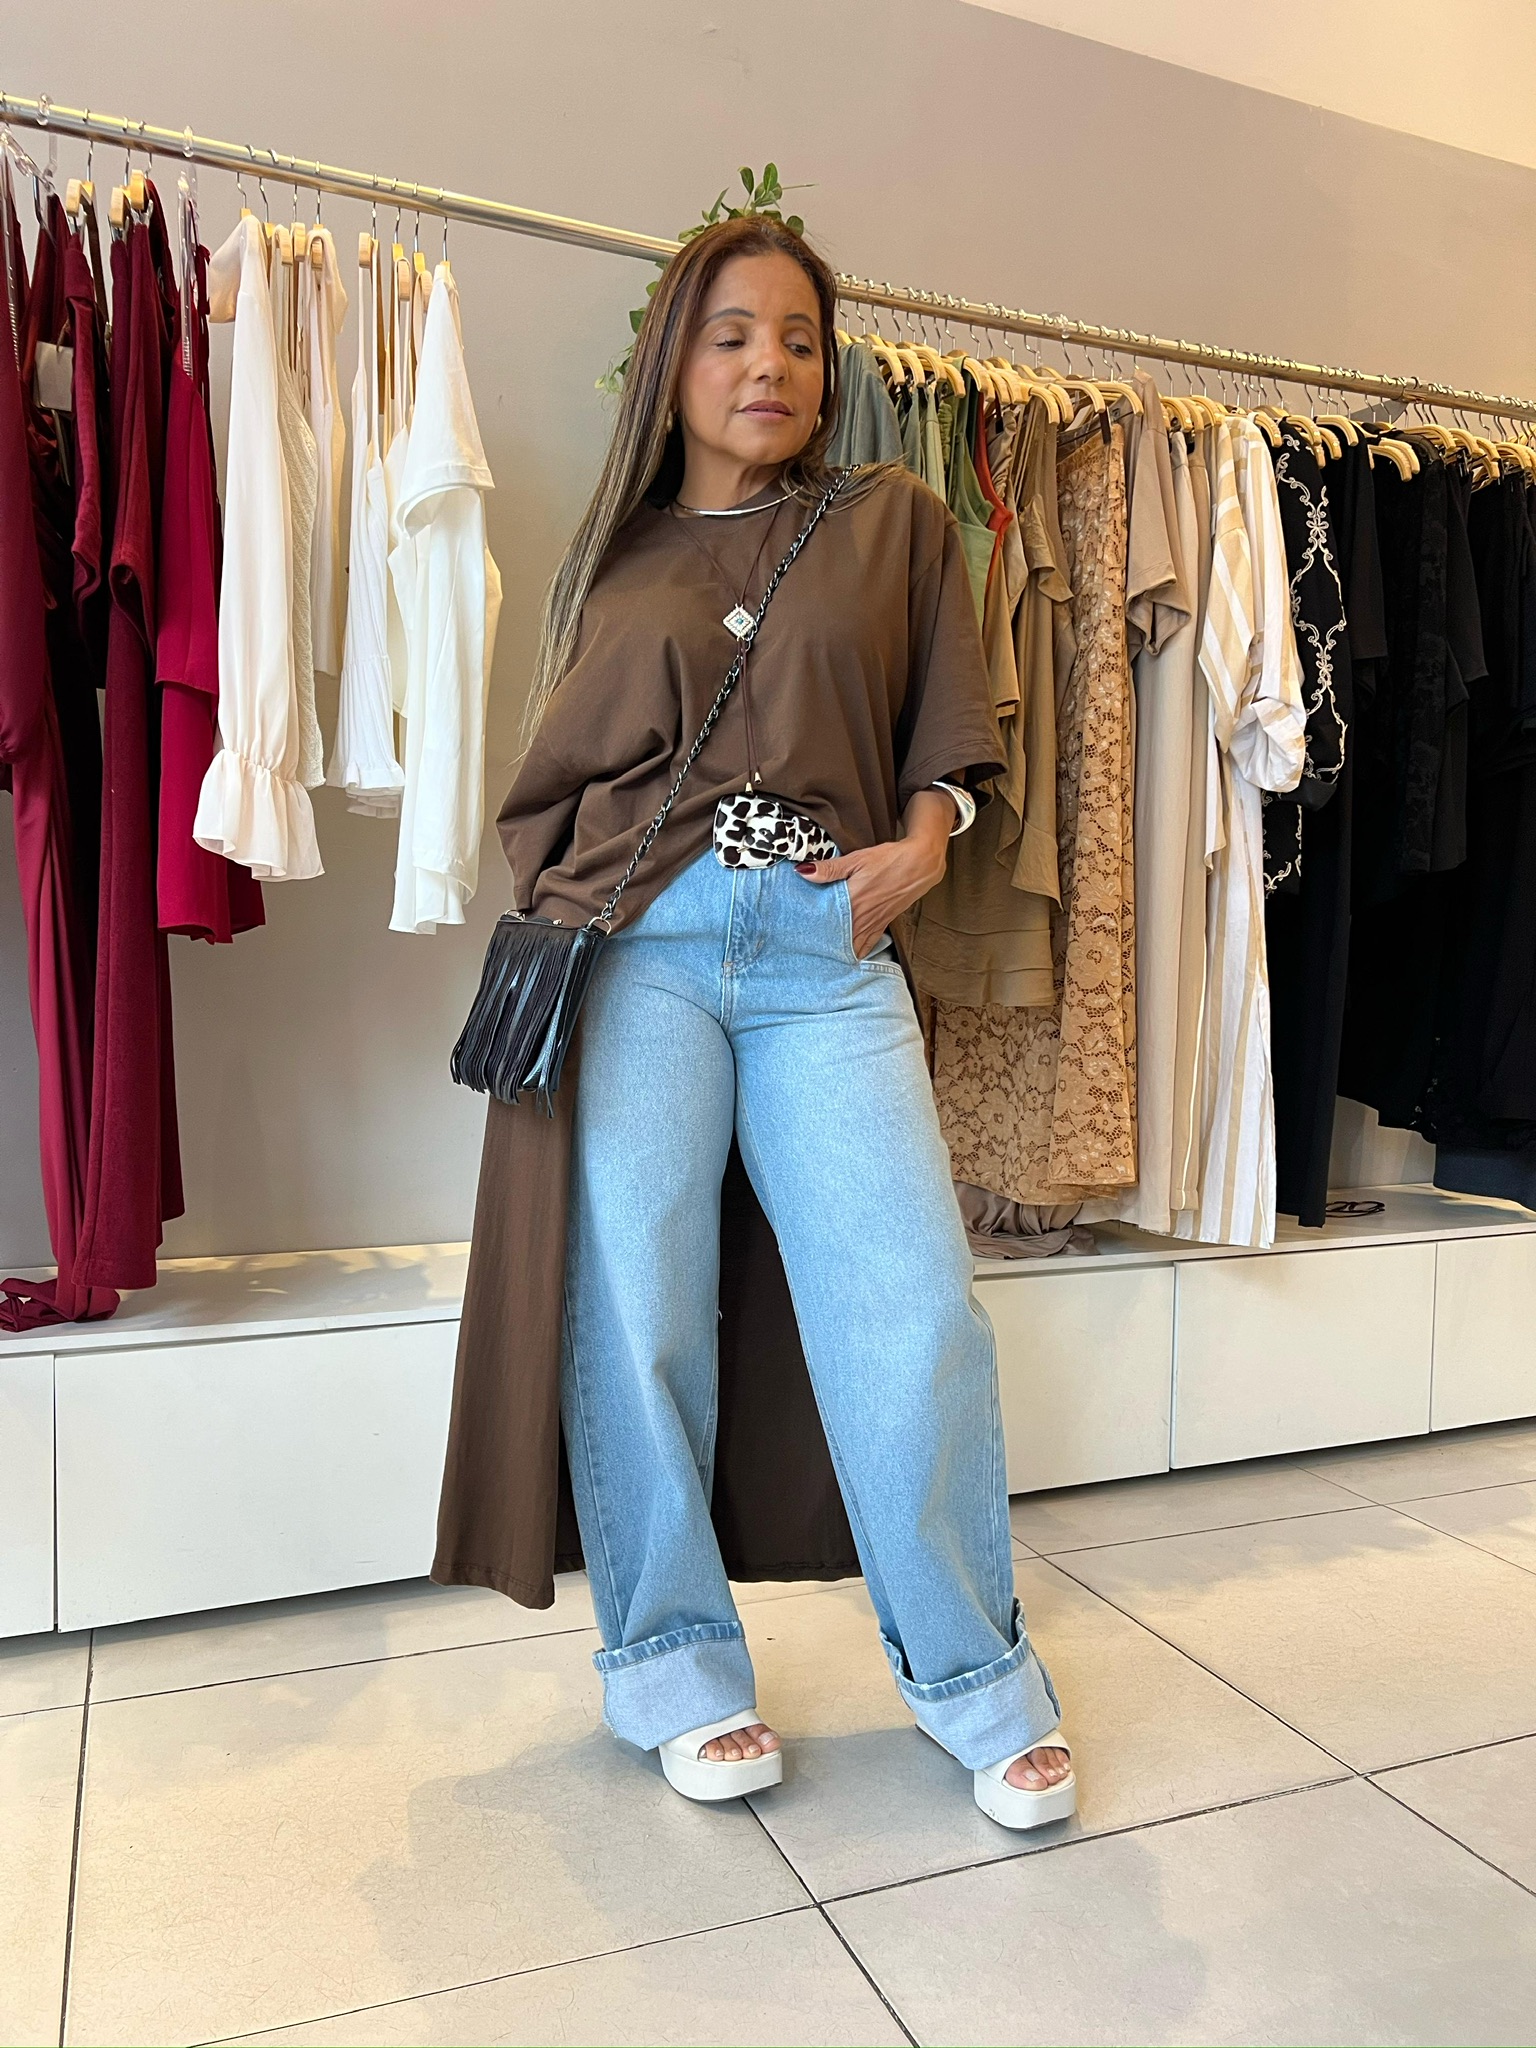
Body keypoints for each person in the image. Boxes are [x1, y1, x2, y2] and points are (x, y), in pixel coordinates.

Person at [433, 215, 1074, 1830]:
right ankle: (674, 1669)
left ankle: (977, 1679)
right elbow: (554, 791)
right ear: (675, 361)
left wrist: (925, 845)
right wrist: (593, 908)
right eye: (730, 335)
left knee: (913, 1306)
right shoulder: (619, 559)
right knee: (639, 1309)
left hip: (823, 950)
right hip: (646, 947)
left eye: (796, 338)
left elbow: (952, 728)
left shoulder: (891, 520)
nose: (768, 365)